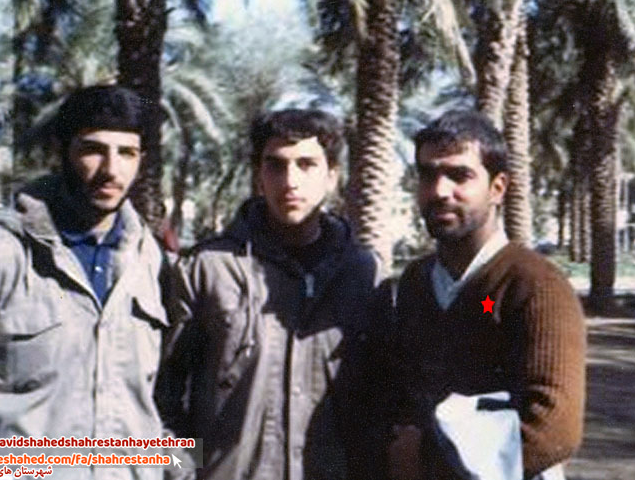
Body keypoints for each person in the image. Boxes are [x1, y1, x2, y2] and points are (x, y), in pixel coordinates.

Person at [0, 85, 172, 480]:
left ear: (141, 160)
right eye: (93, 150)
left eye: (127, 153)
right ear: (60, 151)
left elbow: (157, 404)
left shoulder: (150, 261)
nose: (112, 170)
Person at [158, 109, 379, 480]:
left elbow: (381, 400)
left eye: (306, 165)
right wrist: (183, 471)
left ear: (332, 176)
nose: (290, 181)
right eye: (276, 165)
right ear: (259, 176)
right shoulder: (207, 269)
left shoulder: (364, 275)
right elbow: (160, 395)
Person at [367, 110, 586, 480]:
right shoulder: (417, 282)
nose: (440, 191)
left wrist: (428, 463)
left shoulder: (533, 285)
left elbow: (553, 430)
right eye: (428, 174)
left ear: (498, 187)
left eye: (460, 175)